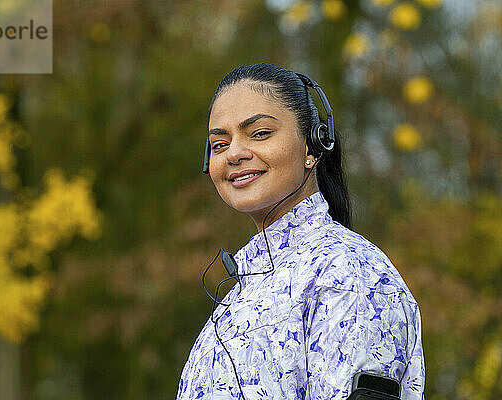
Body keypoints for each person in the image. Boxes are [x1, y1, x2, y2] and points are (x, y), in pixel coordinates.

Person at [176, 63, 425, 399]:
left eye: (260, 133)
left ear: (312, 145)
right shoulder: (241, 294)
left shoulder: (345, 271)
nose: (234, 152)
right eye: (219, 144)